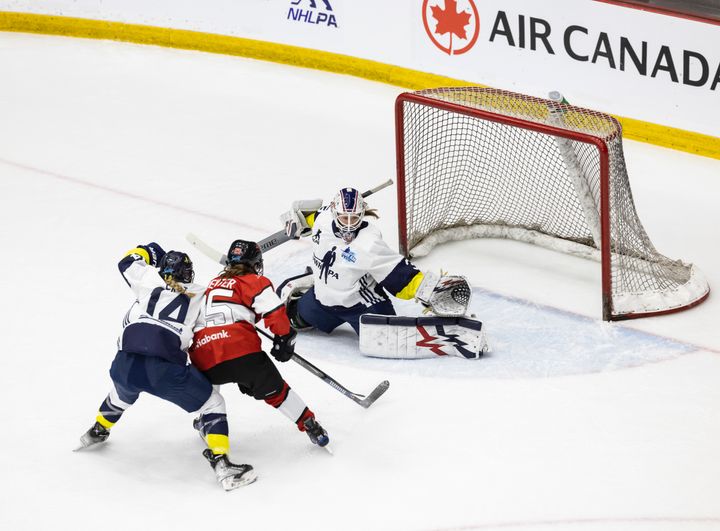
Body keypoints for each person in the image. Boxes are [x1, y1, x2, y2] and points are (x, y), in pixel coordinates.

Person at [76, 243, 257, 491]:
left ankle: (99, 428)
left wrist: (151, 250)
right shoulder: (201, 294)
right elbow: (222, 311)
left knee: (122, 391)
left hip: (123, 363)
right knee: (213, 403)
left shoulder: (148, 280)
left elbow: (126, 261)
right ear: (188, 274)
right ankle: (222, 464)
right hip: (164, 369)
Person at [189, 239, 329, 448]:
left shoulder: (212, 284)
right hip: (241, 352)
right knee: (277, 392)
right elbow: (274, 311)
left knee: (211, 383)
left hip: (202, 353)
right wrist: (284, 338)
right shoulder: (254, 281)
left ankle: (206, 421)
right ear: (255, 262)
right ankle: (310, 425)